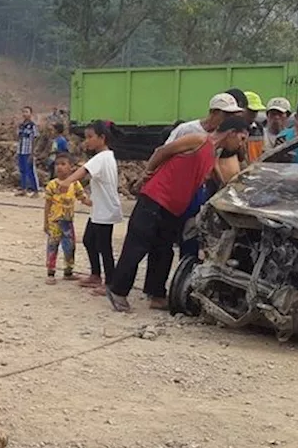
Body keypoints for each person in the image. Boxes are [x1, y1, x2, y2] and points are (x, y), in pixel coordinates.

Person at [107, 117, 250, 312]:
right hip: (155, 198)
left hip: (173, 208)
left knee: (163, 250)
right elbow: (162, 151)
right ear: (231, 132)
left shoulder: (213, 153)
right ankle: (118, 291)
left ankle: (156, 294)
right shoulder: (199, 140)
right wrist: (147, 174)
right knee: (138, 244)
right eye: (241, 138)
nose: (242, 144)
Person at [55, 120, 121, 291]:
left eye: (91, 137)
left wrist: (66, 182)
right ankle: (95, 275)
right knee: (89, 240)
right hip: (100, 209)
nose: (87, 141)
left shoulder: (102, 157)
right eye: (86, 137)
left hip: (105, 210)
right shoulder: (105, 157)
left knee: (104, 246)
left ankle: (110, 283)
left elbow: (83, 171)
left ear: (102, 138)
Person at [43, 153, 83, 284]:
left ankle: (68, 271)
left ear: (71, 168)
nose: (59, 167)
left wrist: (94, 203)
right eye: (57, 164)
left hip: (68, 222)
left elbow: (82, 197)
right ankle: (51, 273)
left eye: (63, 164)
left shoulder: (75, 184)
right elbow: (47, 204)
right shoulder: (52, 185)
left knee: (70, 247)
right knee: (52, 246)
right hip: (55, 222)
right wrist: (46, 222)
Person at [166, 92, 244, 143]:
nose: (230, 119)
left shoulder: (225, 136)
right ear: (213, 112)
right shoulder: (186, 129)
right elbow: (164, 150)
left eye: (232, 115)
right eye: (227, 114)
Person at [16, 106, 40, 197]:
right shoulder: (21, 126)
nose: (24, 114)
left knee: (30, 171)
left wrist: (32, 153)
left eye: (26, 112)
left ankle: (36, 190)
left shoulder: (32, 126)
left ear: (30, 113)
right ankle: (23, 189)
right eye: (23, 112)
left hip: (28, 151)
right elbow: (17, 137)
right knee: (22, 170)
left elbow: (35, 139)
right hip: (21, 151)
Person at [243, 91, 268, 159]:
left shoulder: (259, 128)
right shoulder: (235, 130)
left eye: (256, 111)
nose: (254, 114)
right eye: (251, 111)